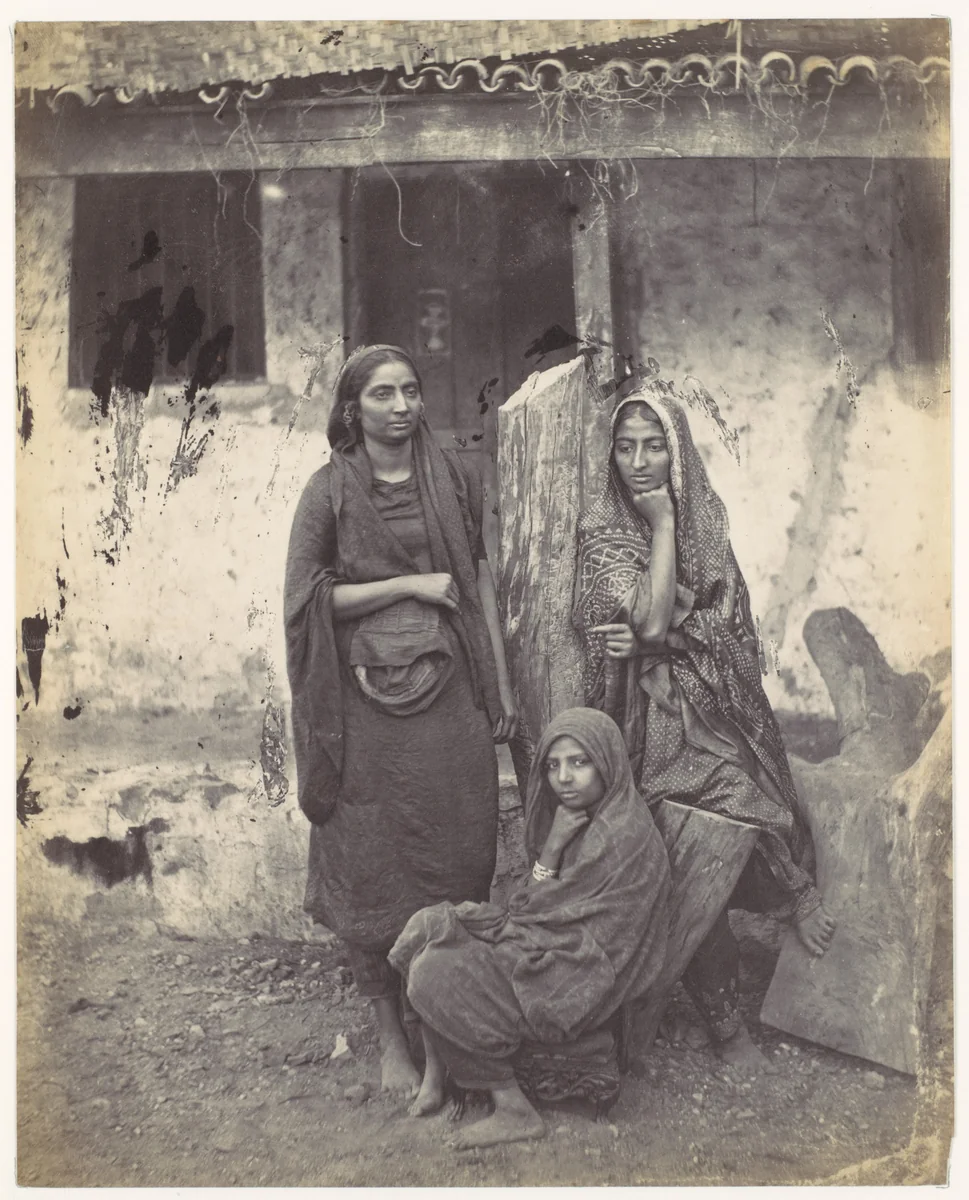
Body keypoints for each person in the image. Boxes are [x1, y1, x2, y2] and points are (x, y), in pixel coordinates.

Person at [573, 383, 836, 1072]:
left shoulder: (707, 524)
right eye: (624, 447)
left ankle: (787, 899)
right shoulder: (604, 536)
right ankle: (728, 1022)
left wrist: (665, 636)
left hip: (711, 706)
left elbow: (728, 628)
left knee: (743, 795)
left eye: (654, 445)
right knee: (690, 835)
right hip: (634, 722)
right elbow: (644, 625)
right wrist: (658, 530)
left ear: (677, 451)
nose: (638, 461)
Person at [284, 344, 518, 1098]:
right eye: (382, 394)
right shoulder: (327, 493)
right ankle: (391, 1037)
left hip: (447, 699)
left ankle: (446, 1030)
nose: (401, 406)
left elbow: (476, 582)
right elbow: (305, 600)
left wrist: (499, 684)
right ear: (353, 410)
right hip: (359, 712)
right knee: (371, 861)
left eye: (411, 391)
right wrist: (408, 583)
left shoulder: (449, 477)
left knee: (456, 851)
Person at [389, 707, 671, 1149]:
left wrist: (553, 847)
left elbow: (542, 912)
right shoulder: (584, 816)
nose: (564, 777)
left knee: (435, 971)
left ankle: (514, 1109)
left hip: (577, 976)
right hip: (550, 945)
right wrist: (552, 852)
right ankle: (434, 1072)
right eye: (554, 765)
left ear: (608, 762)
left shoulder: (620, 835)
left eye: (580, 762)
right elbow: (535, 909)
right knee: (429, 926)